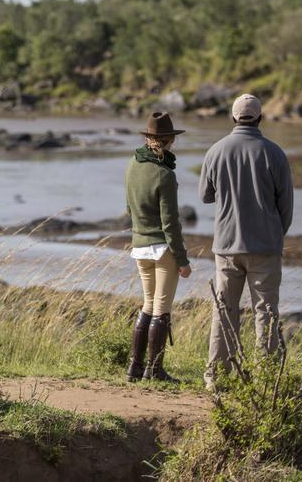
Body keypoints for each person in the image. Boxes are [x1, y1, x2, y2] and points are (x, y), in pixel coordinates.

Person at [200, 94, 293, 390]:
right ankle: (265, 379)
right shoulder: (275, 153)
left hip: (227, 246)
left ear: (233, 118)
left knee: (224, 310)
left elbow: (205, 195)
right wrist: (278, 234)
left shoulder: (215, 151)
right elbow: (286, 205)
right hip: (265, 246)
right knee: (265, 311)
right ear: (260, 118)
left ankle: (216, 376)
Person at [124, 111, 192, 383]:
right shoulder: (164, 174)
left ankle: (135, 368)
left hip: (139, 246)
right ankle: (155, 370)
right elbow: (171, 223)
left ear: (147, 137)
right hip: (162, 248)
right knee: (161, 308)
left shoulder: (132, 164)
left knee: (148, 305)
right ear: (167, 140)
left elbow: (129, 208)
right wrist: (182, 259)